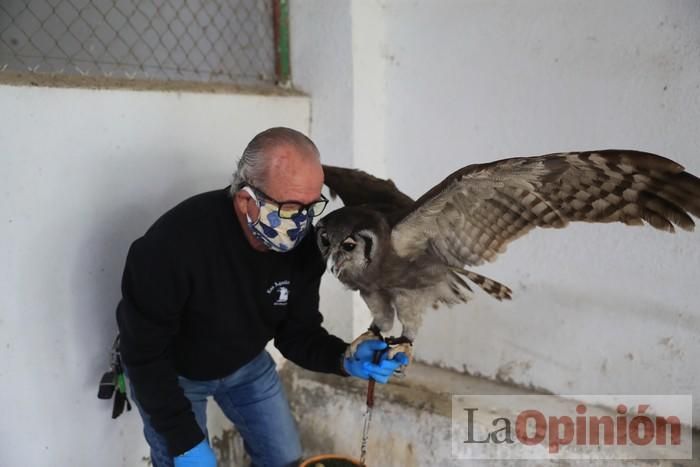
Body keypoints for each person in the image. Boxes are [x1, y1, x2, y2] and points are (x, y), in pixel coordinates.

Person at [116, 127, 408, 467]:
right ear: (245, 201)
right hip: (174, 373)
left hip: (246, 366)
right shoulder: (172, 247)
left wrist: (344, 358)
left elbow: (297, 333)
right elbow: (144, 356)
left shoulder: (305, 248)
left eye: (311, 206)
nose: (302, 221)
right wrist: (183, 443)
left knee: (284, 459)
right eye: (290, 207)